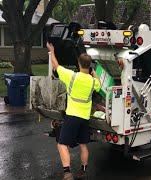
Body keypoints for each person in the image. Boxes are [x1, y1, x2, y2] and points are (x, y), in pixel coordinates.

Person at [46, 43, 101, 180]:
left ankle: (67, 172)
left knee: (62, 144)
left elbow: (56, 66)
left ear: (78, 63)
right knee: (83, 145)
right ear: (90, 66)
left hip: (72, 116)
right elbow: (99, 87)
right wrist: (94, 75)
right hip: (84, 117)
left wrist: (52, 51)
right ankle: (83, 170)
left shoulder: (71, 76)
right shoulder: (92, 81)